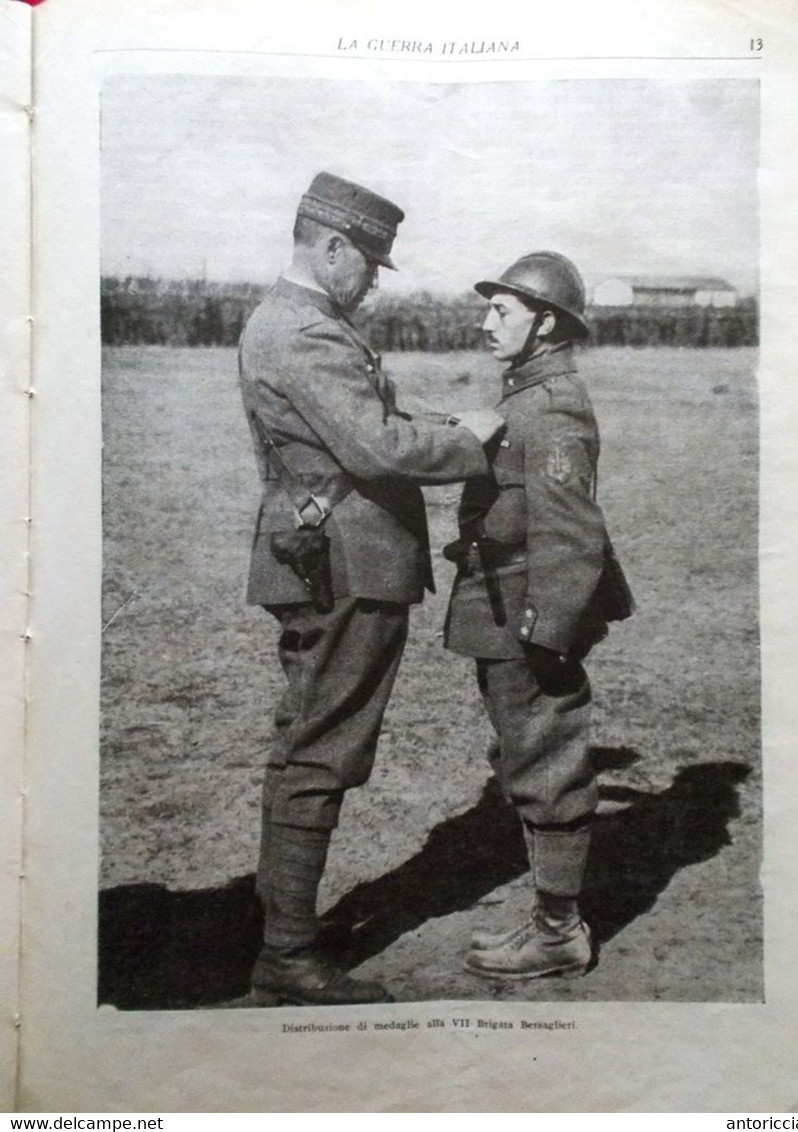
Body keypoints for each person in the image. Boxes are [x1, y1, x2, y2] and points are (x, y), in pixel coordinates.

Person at [238, 172, 504, 1006]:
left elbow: (371, 412)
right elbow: (380, 449)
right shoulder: (305, 333)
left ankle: (280, 925)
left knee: (306, 739)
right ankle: (286, 954)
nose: (374, 282)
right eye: (370, 264)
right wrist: (471, 441)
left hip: (317, 553)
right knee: (323, 747)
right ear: (332, 248)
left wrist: (447, 420)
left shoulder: (302, 323)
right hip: (346, 562)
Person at [443, 251, 634, 981]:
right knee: (525, 757)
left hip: (526, 608)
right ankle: (550, 920)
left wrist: (546, 631)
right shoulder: (524, 397)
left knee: (546, 760)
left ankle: (558, 933)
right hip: (503, 599)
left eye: (502, 311)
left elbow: (571, 531)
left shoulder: (551, 407)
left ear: (544, 322)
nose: (485, 321)